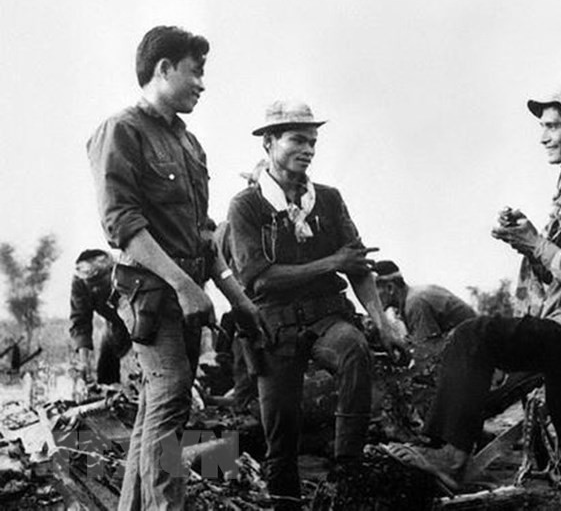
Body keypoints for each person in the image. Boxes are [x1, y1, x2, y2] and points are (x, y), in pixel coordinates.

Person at [387, 82, 561, 510]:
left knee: (475, 336)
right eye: (542, 126)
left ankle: (450, 455)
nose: (544, 136)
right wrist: (526, 240)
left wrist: (537, 244)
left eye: (554, 126)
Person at [87, 26, 260, 511]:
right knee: (171, 399)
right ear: (163, 69)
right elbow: (121, 224)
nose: (203, 84)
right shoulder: (120, 130)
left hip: (186, 298)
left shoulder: (189, 144)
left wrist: (237, 298)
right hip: (151, 295)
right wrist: (185, 287)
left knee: (156, 411)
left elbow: (205, 233)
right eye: (195, 71)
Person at [224, 99, 407, 509]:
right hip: (274, 327)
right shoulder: (246, 205)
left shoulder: (328, 199)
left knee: (355, 350)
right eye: (297, 140)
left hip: (327, 314)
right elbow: (259, 277)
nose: (308, 149)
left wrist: (382, 322)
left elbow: (358, 267)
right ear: (269, 143)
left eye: (313, 142)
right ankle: (286, 502)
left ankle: (347, 472)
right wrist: (332, 262)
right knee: (280, 433)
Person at [373, 260, 476, 343]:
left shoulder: (415, 303)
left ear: (390, 288)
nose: (372, 299)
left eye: (373, 292)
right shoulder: (413, 298)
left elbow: (426, 351)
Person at [69, 249, 131, 385]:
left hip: (142, 319)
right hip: (115, 323)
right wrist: (84, 362)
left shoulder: (126, 269)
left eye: (100, 283)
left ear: (111, 272)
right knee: (105, 367)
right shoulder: (79, 282)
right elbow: (80, 322)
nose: (95, 290)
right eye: (91, 284)